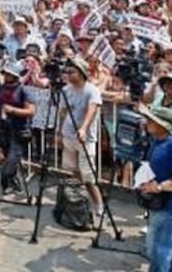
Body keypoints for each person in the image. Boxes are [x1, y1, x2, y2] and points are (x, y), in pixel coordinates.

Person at [138, 105, 172, 272]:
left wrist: (160, 187)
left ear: (161, 124)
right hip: (161, 203)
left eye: (150, 120)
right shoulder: (158, 140)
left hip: (171, 205)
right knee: (170, 245)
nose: (146, 122)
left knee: (158, 249)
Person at [59, 57, 105, 224]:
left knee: (88, 176)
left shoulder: (92, 90)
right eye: (68, 72)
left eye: (72, 72)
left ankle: (99, 204)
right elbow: (63, 112)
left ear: (81, 72)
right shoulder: (65, 90)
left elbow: (92, 110)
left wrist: (84, 128)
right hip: (68, 136)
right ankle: (77, 203)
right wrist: (59, 132)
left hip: (85, 139)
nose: (69, 75)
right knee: (71, 171)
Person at [0, 61, 35, 195]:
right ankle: (11, 184)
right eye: (5, 73)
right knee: (9, 157)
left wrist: (13, 110)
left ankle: (8, 178)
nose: (6, 76)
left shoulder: (23, 90)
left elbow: (31, 111)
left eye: (9, 74)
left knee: (10, 162)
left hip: (19, 130)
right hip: (4, 129)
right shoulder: (0, 88)